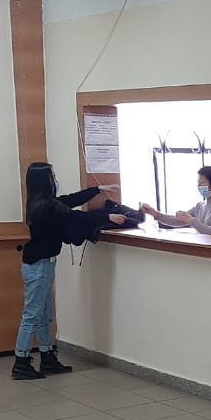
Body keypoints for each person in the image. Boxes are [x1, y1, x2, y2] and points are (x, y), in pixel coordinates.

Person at [13, 162, 125, 381]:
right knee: (33, 315)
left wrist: (97, 190)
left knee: (45, 315)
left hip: (43, 265)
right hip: (38, 266)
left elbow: (70, 200)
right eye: (52, 176)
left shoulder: (43, 201)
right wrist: (107, 217)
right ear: (44, 180)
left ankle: (47, 356)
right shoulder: (45, 205)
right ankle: (21, 361)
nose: (56, 180)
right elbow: (74, 217)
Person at [141, 166, 211, 235]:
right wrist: (155, 214)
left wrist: (191, 220)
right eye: (198, 183)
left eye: (202, 182)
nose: (199, 186)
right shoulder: (200, 205)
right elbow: (177, 221)